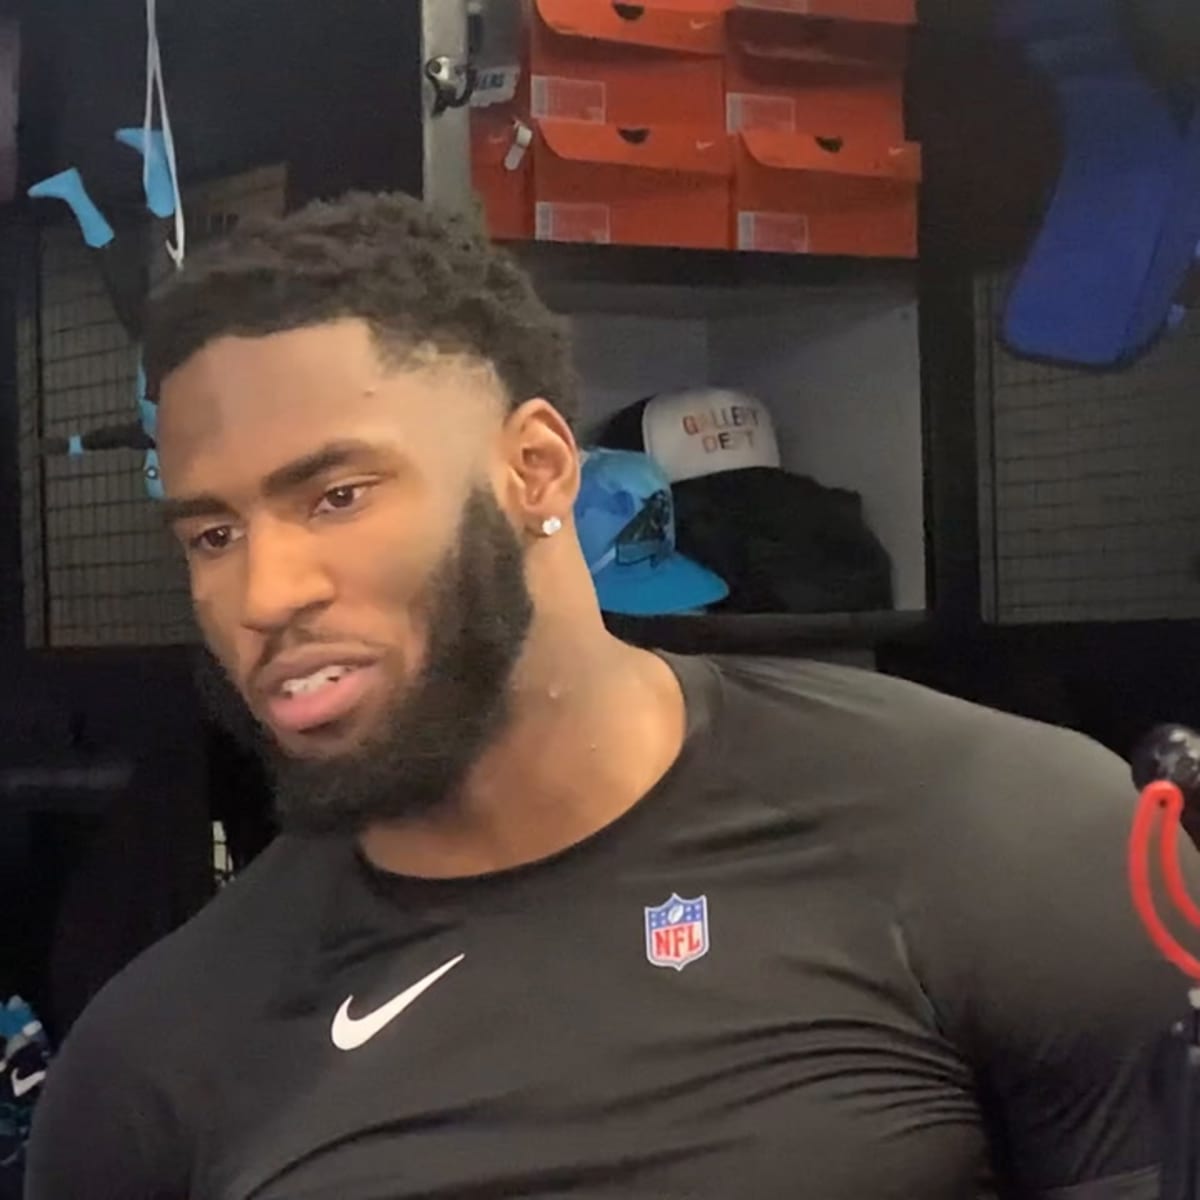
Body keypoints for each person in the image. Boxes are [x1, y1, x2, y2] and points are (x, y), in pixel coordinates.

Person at [26, 192, 1191, 1200]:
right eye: (214, 533)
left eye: (336, 495)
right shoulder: (154, 1058)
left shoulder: (1001, 836)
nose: (263, 592)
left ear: (535, 467)